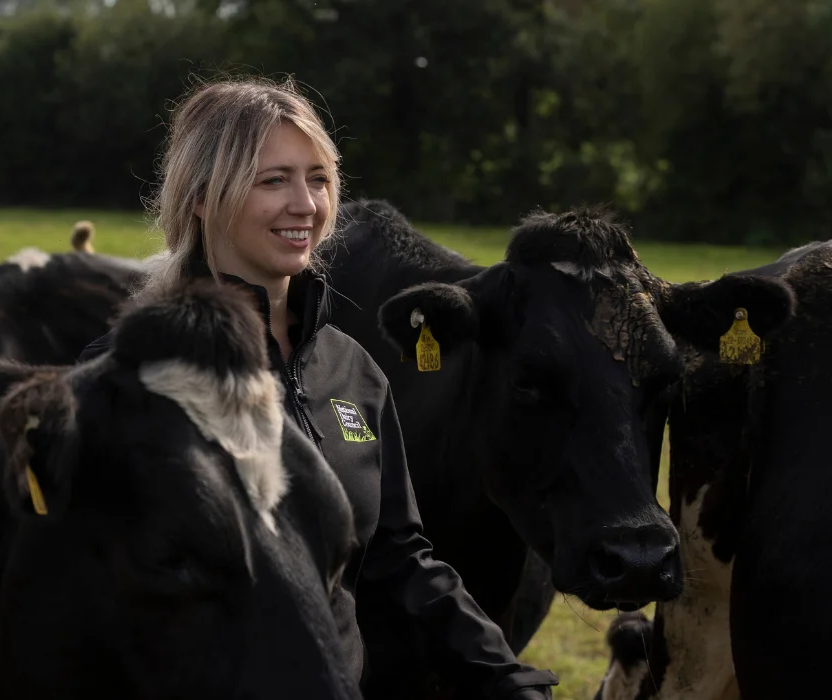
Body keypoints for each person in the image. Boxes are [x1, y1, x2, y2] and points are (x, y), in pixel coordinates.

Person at [78, 77, 559, 700]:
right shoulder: (130, 377)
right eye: (273, 180)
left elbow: (398, 554)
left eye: (319, 179)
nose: (305, 204)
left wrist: (506, 676)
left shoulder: (352, 371)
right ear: (200, 198)